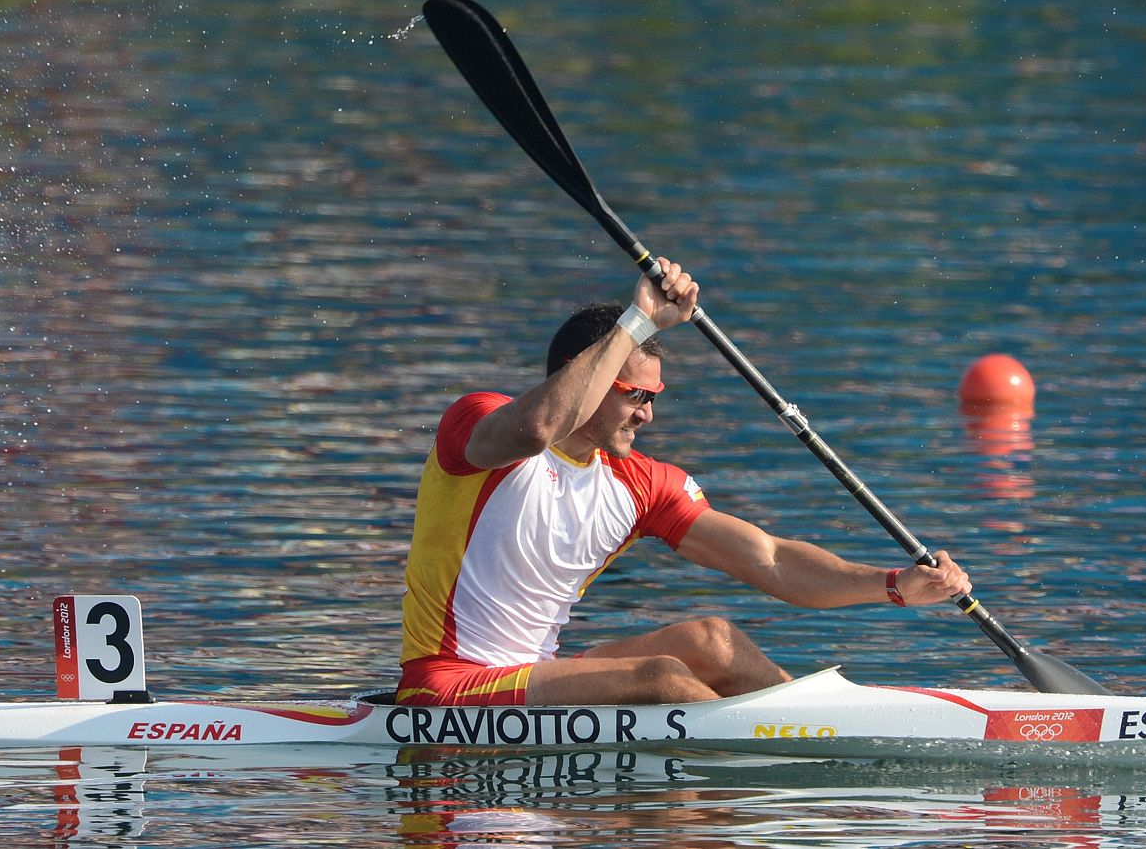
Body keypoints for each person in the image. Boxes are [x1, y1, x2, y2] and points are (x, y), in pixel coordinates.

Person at [398, 258, 972, 707]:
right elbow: (540, 426)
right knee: (665, 679)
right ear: (587, 373)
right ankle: (788, 756)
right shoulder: (479, 427)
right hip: (446, 688)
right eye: (635, 395)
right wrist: (634, 320)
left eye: (654, 398)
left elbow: (769, 559)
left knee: (712, 640)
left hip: (533, 678)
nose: (647, 415)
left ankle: (823, 728)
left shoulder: (640, 484)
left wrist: (894, 584)